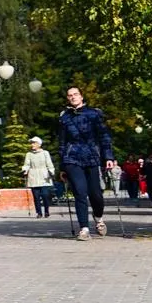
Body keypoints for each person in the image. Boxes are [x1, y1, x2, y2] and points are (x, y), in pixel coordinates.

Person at [55, 86, 117, 240]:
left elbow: (104, 136)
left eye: (76, 94)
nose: (73, 97)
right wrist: (62, 167)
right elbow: (61, 142)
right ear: (68, 99)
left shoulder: (94, 114)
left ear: (82, 97)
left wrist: (108, 157)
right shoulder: (64, 118)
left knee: (95, 194)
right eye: (70, 95)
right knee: (80, 193)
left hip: (91, 157)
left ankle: (98, 217)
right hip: (72, 158)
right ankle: (84, 229)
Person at [22, 136, 57, 218]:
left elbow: (49, 164)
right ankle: (39, 212)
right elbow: (26, 165)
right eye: (31, 143)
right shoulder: (29, 154)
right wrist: (24, 170)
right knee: (36, 196)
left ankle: (46, 211)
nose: (32, 144)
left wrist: (52, 171)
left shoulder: (45, 153)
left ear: (39, 144)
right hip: (33, 177)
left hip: (44, 176)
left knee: (45, 195)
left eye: (34, 143)